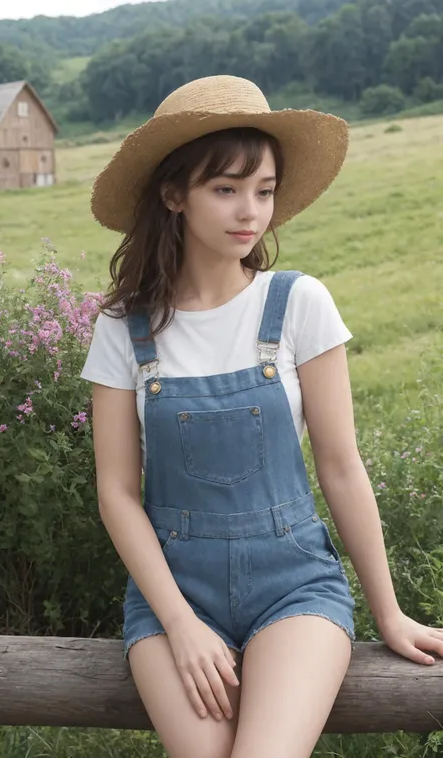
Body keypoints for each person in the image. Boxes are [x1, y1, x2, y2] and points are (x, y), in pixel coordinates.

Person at [80, 75, 443, 758]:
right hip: (173, 596)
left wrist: (388, 613)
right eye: (225, 189)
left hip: (294, 585)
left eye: (265, 190)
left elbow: (340, 466)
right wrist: (181, 625)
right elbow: (117, 493)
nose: (250, 211)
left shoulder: (299, 304)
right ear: (173, 195)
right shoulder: (125, 329)